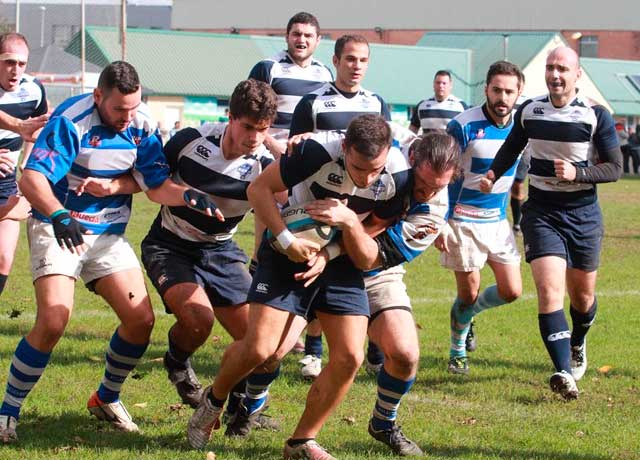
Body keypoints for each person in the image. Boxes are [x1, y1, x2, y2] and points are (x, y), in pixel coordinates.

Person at [0, 61, 219, 443]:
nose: (127, 117)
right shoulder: (72, 121)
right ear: (99, 96)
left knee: (141, 321)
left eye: (133, 108)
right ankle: (7, 413)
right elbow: (32, 178)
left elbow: (155, 186)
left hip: (108, 234)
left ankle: (105, 398)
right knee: (53, 320)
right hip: (59, 227)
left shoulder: (142, 123)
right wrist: (59, 214)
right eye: (119, 109)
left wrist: (186, 195)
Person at [186, 115, 411, 459]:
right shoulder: (314, 151)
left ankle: (301, 442)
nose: (366, 179)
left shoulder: (397, 175)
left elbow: (375, 231)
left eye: (374, 170)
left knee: (350, 356)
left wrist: (335, 244)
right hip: (286, 252)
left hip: (341, 259)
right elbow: (257, 189)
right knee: (262, 350)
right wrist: (286, 238)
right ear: (345, 148)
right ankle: (213, 400)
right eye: (357, 168)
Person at [479, 47, 622, 399]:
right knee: (548, 291)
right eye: (550, 67)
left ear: (577, 75)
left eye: (562, 69)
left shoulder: (595, 114)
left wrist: (579, 173)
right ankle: (562, 372)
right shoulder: (530, 110)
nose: (555, 74)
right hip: (542, 210)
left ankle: (578, 340)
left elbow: (615, 168)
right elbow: (512, 146)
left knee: (583, 296)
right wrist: (493, 173)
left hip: (583, 213)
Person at [140, 79, 281, 435]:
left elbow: (285, 204)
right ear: (230, 117)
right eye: (247, 127)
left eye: (262, 130)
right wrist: (186, 195)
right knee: (199, 322)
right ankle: (176, 360)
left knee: (258, 344)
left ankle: (240, 407)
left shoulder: (266, 163)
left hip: (220, 250)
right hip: (169, 244)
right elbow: (153, 189)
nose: (253, 137)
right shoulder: (190, 140)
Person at [304, 133, 459, 455]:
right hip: (308, 252)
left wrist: (346, 225)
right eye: (424, 182)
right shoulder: (387, 158)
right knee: (266, 350)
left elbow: (371, 257)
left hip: (371, 270)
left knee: (405, 354)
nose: (428, 192)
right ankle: (247, 406)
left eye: (438, 186)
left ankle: (383, 423)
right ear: (410, 160)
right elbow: (359, 130)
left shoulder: (433, 210)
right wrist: (305, 138)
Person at [289, 33, 391, 379]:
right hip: (314, 205)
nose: (356, 66)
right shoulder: (313, 103)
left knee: (361, 270)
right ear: (335, 61)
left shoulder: (377, 103)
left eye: (362, 60)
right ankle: (313, 352)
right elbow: (294, 150)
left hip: (360, 206)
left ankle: (375, 347)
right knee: (313, 273)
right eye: (350, 59)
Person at [437, 61, 525, 375]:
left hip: (498, 221)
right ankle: (456, 348)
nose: (502, 97)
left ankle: (466, 316)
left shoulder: (523, 124)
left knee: (512, 291)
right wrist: (441, 221)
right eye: (497, 90)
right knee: (468, 293)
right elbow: (443, 175)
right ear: (486, 89)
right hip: (462, 220)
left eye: (509, 91)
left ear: (519, 93)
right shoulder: (462, 125)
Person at [0, 33, 47, 301]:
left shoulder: (33, 89)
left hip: (6, 179)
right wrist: (17, 125)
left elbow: (38, 126)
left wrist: (27, 163)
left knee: (4, 257)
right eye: (9, 62)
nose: (16, 69)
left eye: (21, 63)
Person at [249, 12, 333, 157]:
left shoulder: (325, 73)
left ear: (318, 40)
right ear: (287, 37)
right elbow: (247, 115)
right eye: (296, 34)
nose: (302, 39)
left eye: (308, 35)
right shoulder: (268, 68)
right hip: (269, 155)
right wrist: (272, 145)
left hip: (307, 157)